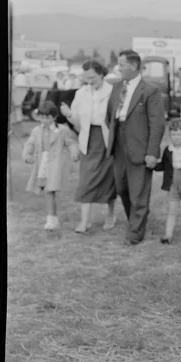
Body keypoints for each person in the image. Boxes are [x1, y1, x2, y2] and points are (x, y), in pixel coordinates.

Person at [106, 49, 165, 245]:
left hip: (140, 148)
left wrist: (152, 152)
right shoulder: (116, 87)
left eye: (121, 64)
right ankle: (136, 221)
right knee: (122, 188)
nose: (119, 68)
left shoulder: (149, 91)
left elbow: (157, 125)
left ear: (132, 66)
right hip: (118, 145)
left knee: (138, 191)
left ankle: (135, 234)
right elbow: (109, 116)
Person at [60, 59, 117, 234]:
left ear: (101, 74)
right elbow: (77, 122)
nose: (89, 81)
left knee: (109, 179)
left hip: (107, 141)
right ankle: (84, 221)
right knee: (85, 181)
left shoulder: (113, 91)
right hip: (88, 141)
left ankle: (111, 214)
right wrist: (69, 114)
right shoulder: (81, 92)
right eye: (86, 78)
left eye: (92, 77)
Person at [23, 100, 79, 230]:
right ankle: (52, 217)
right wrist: (27, 156)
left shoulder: (62, 130)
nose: (44, 120)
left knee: (50, 190)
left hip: (55, 164)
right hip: (42, 164)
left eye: (47, 117)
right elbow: (30, 144)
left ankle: (51, 218)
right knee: (49, 191)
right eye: (41, 117)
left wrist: (74, 154)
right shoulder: (36, 130)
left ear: (54, 117)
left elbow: (71, 142)